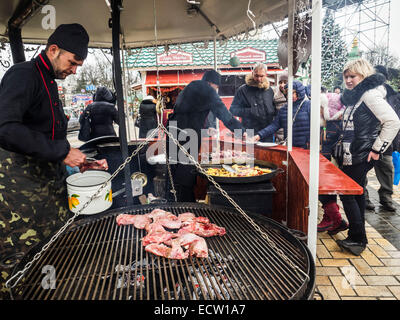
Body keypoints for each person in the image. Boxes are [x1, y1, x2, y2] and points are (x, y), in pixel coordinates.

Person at [0, 23, 89, 299]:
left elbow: (45, 133)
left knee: (56, 245)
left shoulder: (48, 81)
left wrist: (69, 158)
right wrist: (62, 152)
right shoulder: (23, 75)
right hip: (19, 191)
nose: (74, 70)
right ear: (53, 50)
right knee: (16, 257)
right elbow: (5, 128)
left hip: (48, 186)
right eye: (73, 62)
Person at [336, 58, 400, 256]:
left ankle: (358, 238)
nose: (348, 80)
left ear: (363, 75)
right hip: (353, 153)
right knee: (357, 194)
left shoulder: (370, 95)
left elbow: (392, 122)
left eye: (352, 76)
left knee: (349, 195)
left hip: (360, 154)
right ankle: (357, 234)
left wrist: (377, 149)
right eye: (346, 76)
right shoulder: (359, 95)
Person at [167, 70, 244, 202]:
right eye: (217, 87)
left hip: (173, 131)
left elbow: (189, 112)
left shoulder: (191, 86)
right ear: (212, 83)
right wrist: (242, 131)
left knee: (174, 172)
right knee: (186, 175)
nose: (216, 90)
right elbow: (225, 116)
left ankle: (173, 205)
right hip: (187, 136)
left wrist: (203, 130)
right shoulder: (209, 91)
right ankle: (186, 208)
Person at [364, 65, 400, 212]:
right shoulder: (365, 93)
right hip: (366, 138)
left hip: (386, 140)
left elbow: (396, 120)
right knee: (363, 168)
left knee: (387, 168)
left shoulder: (393, 95)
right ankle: (364, 197)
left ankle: (386, 198)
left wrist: (396, 143)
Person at [318, 87, 348, 234]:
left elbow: (325, 146)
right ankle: (330, 218)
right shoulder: (327, 124)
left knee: (324, 191)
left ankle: (336, 220)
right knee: (325, 191)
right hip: (327, 162)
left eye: (321, 108)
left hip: (328, 163)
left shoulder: (331, 125)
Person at [247, 80, 310, 149]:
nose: (290, 96)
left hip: (306, 148)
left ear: (299, 93)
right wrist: (259, 135)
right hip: (290, 148)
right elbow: (274, 125)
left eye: (293, 93)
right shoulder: (284, 109)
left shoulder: (308, 105)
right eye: (288, 93)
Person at [230, 63, 276, 142]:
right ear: (252, 74)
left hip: (266, 133)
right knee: (250, 154)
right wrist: (250, 111)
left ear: (266, 75)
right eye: (256, 75)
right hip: (249, 132)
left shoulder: (269, 90)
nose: (259, 79)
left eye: (262, 76)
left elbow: (273, 108)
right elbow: (233, 110)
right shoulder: (242, 90)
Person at [273, 71, 288, 143]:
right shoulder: (274, 96)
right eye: (280, 82)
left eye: (285, 82)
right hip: (279, 132)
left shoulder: (297, 96)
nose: (282, 85)